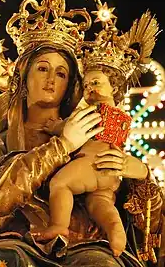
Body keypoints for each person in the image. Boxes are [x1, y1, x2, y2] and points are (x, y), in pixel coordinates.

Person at [0, 0, 163, 267]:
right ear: (23, 75)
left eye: (61, 73)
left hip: (85, 241)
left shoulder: (90, 131)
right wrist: (62, 145)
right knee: (3, 258)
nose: (51, 80)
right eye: (42, 69)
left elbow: (138, 214)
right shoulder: (3, 143)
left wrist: (139, 174)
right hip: (18, 239)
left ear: (71, 82)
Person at [35, 64, 133, 258]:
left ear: (113, 88)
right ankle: (116, 234)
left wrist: (56, 127)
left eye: (96, 83)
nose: (89, 88)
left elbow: (72, 126)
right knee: (100, 203)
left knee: (60, 184)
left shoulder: (96, 110)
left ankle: (59, 226)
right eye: (86, 85)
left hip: (91, 163)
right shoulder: (122, 117)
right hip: (111, 175)